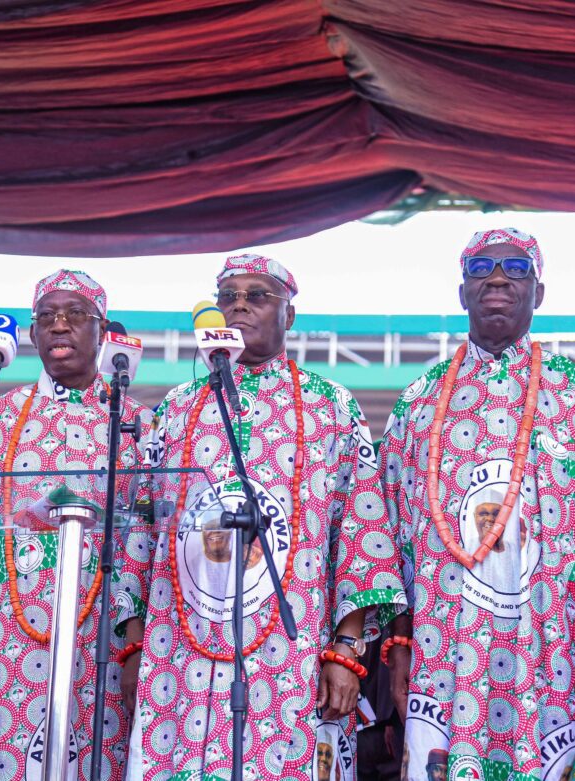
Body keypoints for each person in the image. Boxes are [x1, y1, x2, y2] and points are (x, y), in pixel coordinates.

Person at [128, 253, 406, 780]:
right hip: (179, 656)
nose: (238, 306)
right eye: (227, 296)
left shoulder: (331, 407)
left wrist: (345, 651)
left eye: (257, 295)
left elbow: (363, 534)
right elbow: (142, 533)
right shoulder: (177, 407)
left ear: (289, 315)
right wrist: (136, 642)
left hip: (290, 655)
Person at [380, 228, 575, 780]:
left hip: (559, 650)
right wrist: (396, 646)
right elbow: (387, 535)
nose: (496, 278)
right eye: (481, 268)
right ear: (462, 292)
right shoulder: (418, 399)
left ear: (538, 293)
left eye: (516, 269)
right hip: (443, 655)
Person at [0, 270, 153, 781]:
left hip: (103, 648)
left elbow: (148, 543)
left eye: (76, 315)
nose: (61, 326)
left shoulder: (142, 424)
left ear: (102, 331)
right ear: (32, 335)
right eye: (47, 317)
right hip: (5, 646)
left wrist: (132, 650)